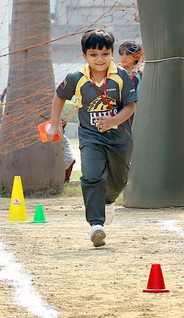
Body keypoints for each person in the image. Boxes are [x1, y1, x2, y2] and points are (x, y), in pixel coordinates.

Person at [48, 29, 137, 248]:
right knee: (91, 176)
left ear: (112, 54)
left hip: (120, 140)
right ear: (85, 56)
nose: (100, 59)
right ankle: (96, 225)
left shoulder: (121, 76)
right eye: (94, 54)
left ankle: (107, 201)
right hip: (91, 138)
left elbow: (130, 106)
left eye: (105, 54)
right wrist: (54, 124)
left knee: (118, 182)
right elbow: (59, 97)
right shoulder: (76, 78)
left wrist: (113, 121)